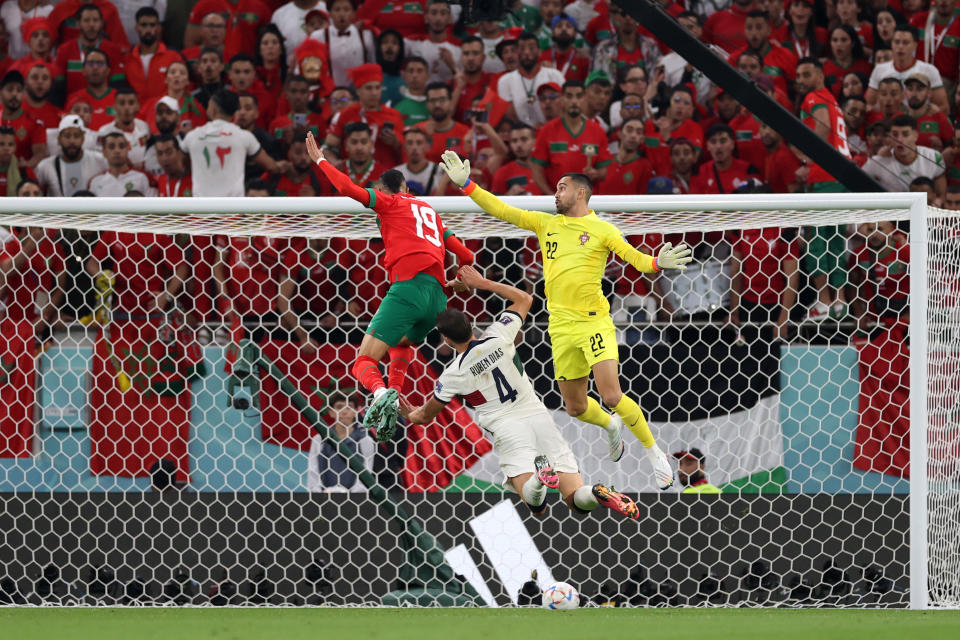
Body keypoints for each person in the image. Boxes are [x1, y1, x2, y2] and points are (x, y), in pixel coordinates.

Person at [439, 151, 692, 489]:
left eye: (561, 188)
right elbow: (502, 209)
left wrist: (657, 263)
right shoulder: (547, 224)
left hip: (593, 323)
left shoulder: (602, 229)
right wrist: (467, 185)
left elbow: (636, 259)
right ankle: (610, 425)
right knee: (574, 407)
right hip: (559, 327)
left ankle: (653, 451)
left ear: (580, 193)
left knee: (612, 395)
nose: (555, 194)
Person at [401, 265, 639, 519]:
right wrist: (483, 283)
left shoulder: (453, 373)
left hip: (508, 428)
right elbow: (525, 298)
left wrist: (407, 412)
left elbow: (426, 415)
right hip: (538, 417)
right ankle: (597, 492)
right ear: (470, 325)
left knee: (536, 506)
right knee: (576, 500)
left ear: (446, 340)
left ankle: (539, 479)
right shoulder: (499, 335)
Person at [306, 130, 474, 438]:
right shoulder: (432, 214)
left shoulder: (390, 204)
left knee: (363, 362)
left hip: (408, 289)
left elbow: (346, 187)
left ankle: (381, 394)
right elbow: (466, 254)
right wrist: (461, 282)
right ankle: (393, 393)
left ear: (390, 190)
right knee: (401, 344)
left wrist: (319, 159)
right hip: (437, 299)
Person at [795, 57, 852, 323]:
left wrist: (807, 159)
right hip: (841, 176)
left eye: (806, 74)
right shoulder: (831, 98)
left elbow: (821, 127)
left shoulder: (815, 98)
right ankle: (839, 300)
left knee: (816, 240)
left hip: (823, 176)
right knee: (836, 239)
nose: (801, 81)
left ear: (819, 74)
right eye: (798, 76)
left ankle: (823, 302)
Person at [180, 89, 288, 197]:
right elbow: (270, 167)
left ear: (213, 108)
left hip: (201, 209)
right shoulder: (244, 136)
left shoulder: (193, 136)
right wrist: (280, 166)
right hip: (232, 209)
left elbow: (183, 164)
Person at [530, 80, 610, 195]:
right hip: (555, 205)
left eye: (579, 96)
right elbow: (536, 169)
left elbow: (604, 171)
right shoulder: (547, 130)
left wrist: (596, 174)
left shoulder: (598, 131)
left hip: (586, 203)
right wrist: (551, 197)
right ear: (562, 99)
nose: (574, 101)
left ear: (585, 98)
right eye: (569, 96)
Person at [866, 24, 949, 113]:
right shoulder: (879, 70)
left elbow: (944, 107)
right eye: (897, 42)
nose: (900, 46)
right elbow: (868, 104)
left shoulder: (929, 70)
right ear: (891, 44)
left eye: (905, 42)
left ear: (915, 45)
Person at [863, 114, 947, 197]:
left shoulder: (933, 157)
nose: (900, 140)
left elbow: (941, 195)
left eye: (905, 134)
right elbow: (860, 182)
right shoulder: (878, 161)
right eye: (895, 135)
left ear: (915, 136)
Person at [306, 393, 375, 493]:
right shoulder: (319, 439)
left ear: (356, 411)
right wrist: (320, 495)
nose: (344, 411)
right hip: (324, 500)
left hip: (355, 501)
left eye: (349, 407)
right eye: (339, 407)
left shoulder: (365, 440)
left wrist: (349, 496)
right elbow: (313, 473)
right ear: (331, 412)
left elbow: (367, 475)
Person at [35, 114, 106, 196]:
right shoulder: (45, 166)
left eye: (76, 136)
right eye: (67, 136)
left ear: (83, 139)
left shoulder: (99, 160)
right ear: (59, 139)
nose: (72, 141)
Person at [124, 7, 184, 102]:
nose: (148, 30)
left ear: (159, 28)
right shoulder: (127, 59)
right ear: (136, 28)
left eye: (152, 25)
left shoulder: (174, 56)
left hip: (165, 112)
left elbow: (184, 87)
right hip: (136, 113)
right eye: (144, 25)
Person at [415, 81, 469, 164]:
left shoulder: (465, 133)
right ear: (427, 104)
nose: (437, 105)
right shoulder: (417, 131)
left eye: (442, 100)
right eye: (432, 100)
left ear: (450, 101)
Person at [0, 69, 45, 168]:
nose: (14, 94)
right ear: (1, 92)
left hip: (19, 176)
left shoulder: (34, 123)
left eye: (19, 90)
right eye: (10, 89)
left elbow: (40, 154)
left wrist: (26, 166)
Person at [96, 86, 150, 167]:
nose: (126, 107)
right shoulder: (104, 131)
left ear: (138, 106)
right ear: (114, 107)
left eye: (131, 103)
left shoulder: (144, 126)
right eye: (122, 103)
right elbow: (100, 162)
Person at [88, 132, 156, 196]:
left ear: (127, 150)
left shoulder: (143, 177)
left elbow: (153, 206)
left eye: (121, 146)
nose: (117, 150)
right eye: (111, 147)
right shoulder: (95, 182)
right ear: (104, 152)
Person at [491, 121, 542, 196]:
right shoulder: (503, 172)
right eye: (514, 141)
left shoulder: (547, 169)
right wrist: (508, 197)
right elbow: (494, 204)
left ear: (535, 141)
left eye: (524, 139)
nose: (518, 145)